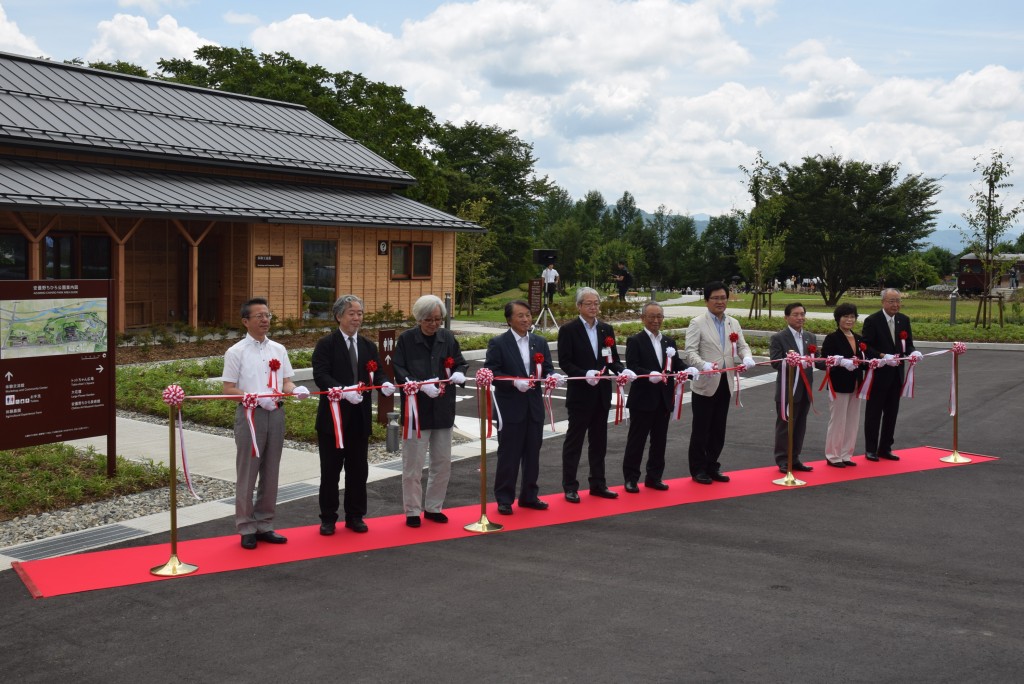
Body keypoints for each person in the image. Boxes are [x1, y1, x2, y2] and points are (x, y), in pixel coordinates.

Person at [222, 297, 310, 549]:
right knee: (248, 472)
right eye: (259, 316)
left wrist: (295, 390)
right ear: (245, 321)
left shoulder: (278, 349)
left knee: (271, 471)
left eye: (267, 315)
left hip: (276, 414)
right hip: (251, 415)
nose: (264, 320)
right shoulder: (236, 351)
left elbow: (286, 381)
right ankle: (246, 526)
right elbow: (228, 388)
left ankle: (265, 523)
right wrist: (251, 397)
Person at [312, 294, 392, 535]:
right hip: (333, 421)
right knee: (330, 471)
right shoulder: (326, 344)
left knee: (358, 470)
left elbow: (376, 372)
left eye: (360, 314)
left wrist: (385, 382)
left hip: (359, 419)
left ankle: (355, 515)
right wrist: (342, 390)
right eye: (352, 313)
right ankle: (328, 517)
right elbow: (321, 375)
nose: (357, 318)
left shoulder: (367, 346)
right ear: (339, 316)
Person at [392, 295, 468, 527]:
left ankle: (434, 506)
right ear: (418, 319)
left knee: (442, 462)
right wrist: (420, 386)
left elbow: (459, 361)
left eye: (438, 319)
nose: (434, 324)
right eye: (429, 320)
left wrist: (459, 372)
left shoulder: (447, 337)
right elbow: (399, 368)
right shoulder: (406, 340)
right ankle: (412, 510)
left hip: (443, 409)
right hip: (417, 411)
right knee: (412, 465)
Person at [485, 299, 564, 514]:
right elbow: (491, 373)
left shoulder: (539, 342)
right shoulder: (499, 343)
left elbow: (546, 368)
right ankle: (504, 497)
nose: (526, 319)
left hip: (533, 406)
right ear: (509, 319)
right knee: (509, 454)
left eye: (528, 315)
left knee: (532, 454)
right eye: (520, 316)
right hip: (510, 407)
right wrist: (513, 381)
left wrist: (552, 376)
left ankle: (529, 495)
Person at [557, 287, 633, 502]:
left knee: (599, 442)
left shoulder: (606, 329)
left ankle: (598, 484)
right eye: (589, 303)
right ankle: (570, 486)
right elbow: (565, 361)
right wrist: (583, 374)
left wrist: (621, 370)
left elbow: (613, 359)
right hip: (580, 394)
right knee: (574, 442)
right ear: (579, 306)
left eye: (596, 303)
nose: (593, 307)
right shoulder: (569, 330)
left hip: (601, 394)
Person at [683, 281, 755, 484]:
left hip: (726, 382)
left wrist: (747, 357)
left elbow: (742, 346)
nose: (720, 302)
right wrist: (702, 364)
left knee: (718, 429)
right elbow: (690, 352)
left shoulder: (733, 323)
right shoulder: (697, 323)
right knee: (701, 429)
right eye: (715, 298)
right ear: (706, 301)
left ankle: (712, 465)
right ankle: (698, 469)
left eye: (723, 297)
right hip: (706, 383)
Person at [622, 301, 685, 492]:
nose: (656, 321)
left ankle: (654, 477)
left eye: (659, 316)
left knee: (660, 440)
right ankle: (631, 478)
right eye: (652, 317)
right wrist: (650, 375)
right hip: (642, 400)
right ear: (643, 318)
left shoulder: (668, 342)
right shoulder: (636, 340)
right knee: (637, 441)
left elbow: (676, 364)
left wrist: (689, 370)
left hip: (664, 399)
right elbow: (632, 366)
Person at [860, 288, 921, 461]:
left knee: (891, 413)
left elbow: (908, 344)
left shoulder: (904, 320)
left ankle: (885, 447)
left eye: (898, 301)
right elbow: (865, 346)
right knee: (874, 413)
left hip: (896, 375)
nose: (895, 305)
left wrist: (913, 353)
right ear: (883, 302)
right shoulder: (872, 321)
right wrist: (882, 356)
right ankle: (870, 449)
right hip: (878, 375)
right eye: (892, 301)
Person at [769, 302, 817, 473]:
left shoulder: (810, 337)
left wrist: (834, 361)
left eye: (802, 314)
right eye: (796, 314)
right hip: (787, 389)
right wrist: (793, 362)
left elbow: (816, 359)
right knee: (785, 425)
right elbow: (775, 362)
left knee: (800, 425)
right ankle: (783, 459)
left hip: (805, 388)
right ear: (786, 317)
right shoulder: (779, 338)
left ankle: (795, 457)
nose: (800, 318)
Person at [817, 303, 866, 467]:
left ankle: (846, 454)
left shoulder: (859, 338)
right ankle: (833, 455)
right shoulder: (832, 338)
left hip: (857, 384)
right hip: (839, 384)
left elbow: (864, 359)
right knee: (838, 421)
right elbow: (825, 360)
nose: (849, 320)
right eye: (845, 316)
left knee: (853, 421)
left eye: (852, 316)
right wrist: (842, 362)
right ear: (838, 319)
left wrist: (873, 362)